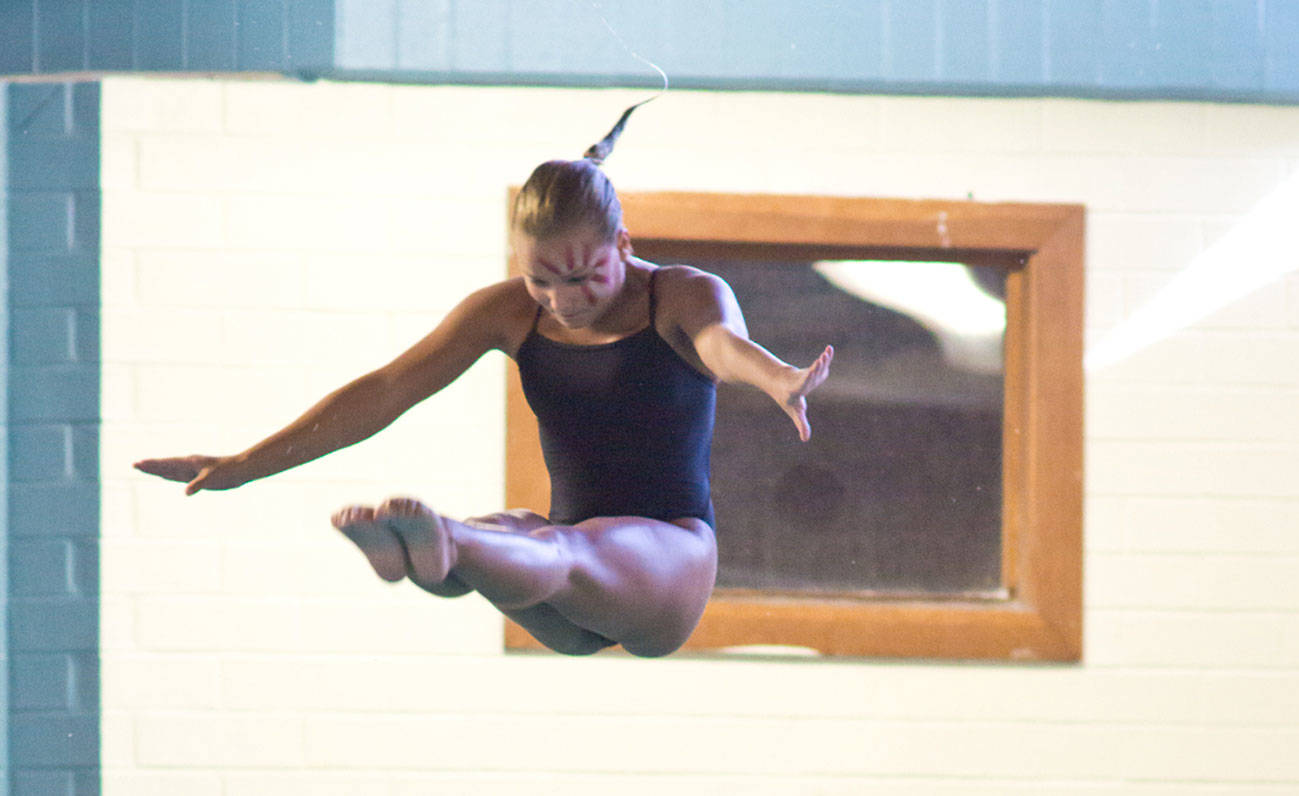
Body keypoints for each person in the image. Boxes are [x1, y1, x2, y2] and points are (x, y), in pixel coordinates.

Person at [135, 103, 833, 658]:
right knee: (518, 532)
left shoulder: (679, 296)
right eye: (542, 279)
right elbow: (383, 392)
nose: (563, 300)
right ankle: (427, 555)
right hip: (562, 591)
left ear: (623, 244)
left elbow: (723, 345)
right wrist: (244, 466)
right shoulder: (507, 313)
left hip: (669, 566)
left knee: (553, 547)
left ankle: (442, 545)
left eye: (586, 275)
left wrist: (778, 379)